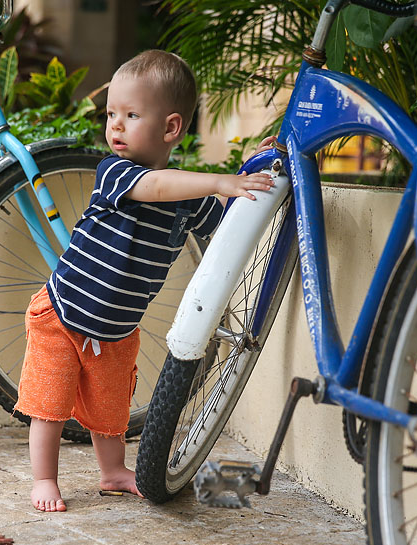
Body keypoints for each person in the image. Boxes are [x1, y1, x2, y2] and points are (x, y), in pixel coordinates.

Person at [14, 49, 277, 512]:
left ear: (171, 127)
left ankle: (113, 472)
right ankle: (44, 479)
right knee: (49, 406)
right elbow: (156, 187)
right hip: (64, 314)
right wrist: (217, 182)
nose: (114, 125)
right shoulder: (115, 172)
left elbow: (224, 219)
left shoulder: (187, 198)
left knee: (110, 412)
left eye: (131, 115)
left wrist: (248, 172)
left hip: (117, 331)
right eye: (111, 114)